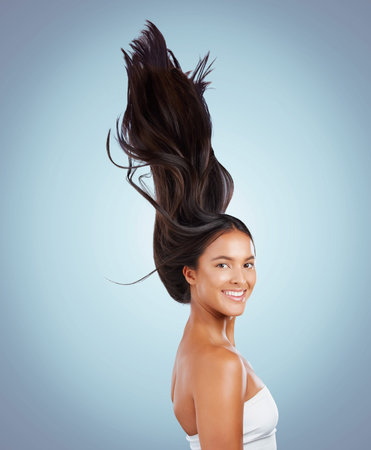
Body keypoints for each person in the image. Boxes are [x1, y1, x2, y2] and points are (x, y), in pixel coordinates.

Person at [106, 20, 279, 450]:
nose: (241, 278)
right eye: (223, 265)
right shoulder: (218, 362)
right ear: (190, 273)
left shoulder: (201, 346)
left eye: (248, 263)